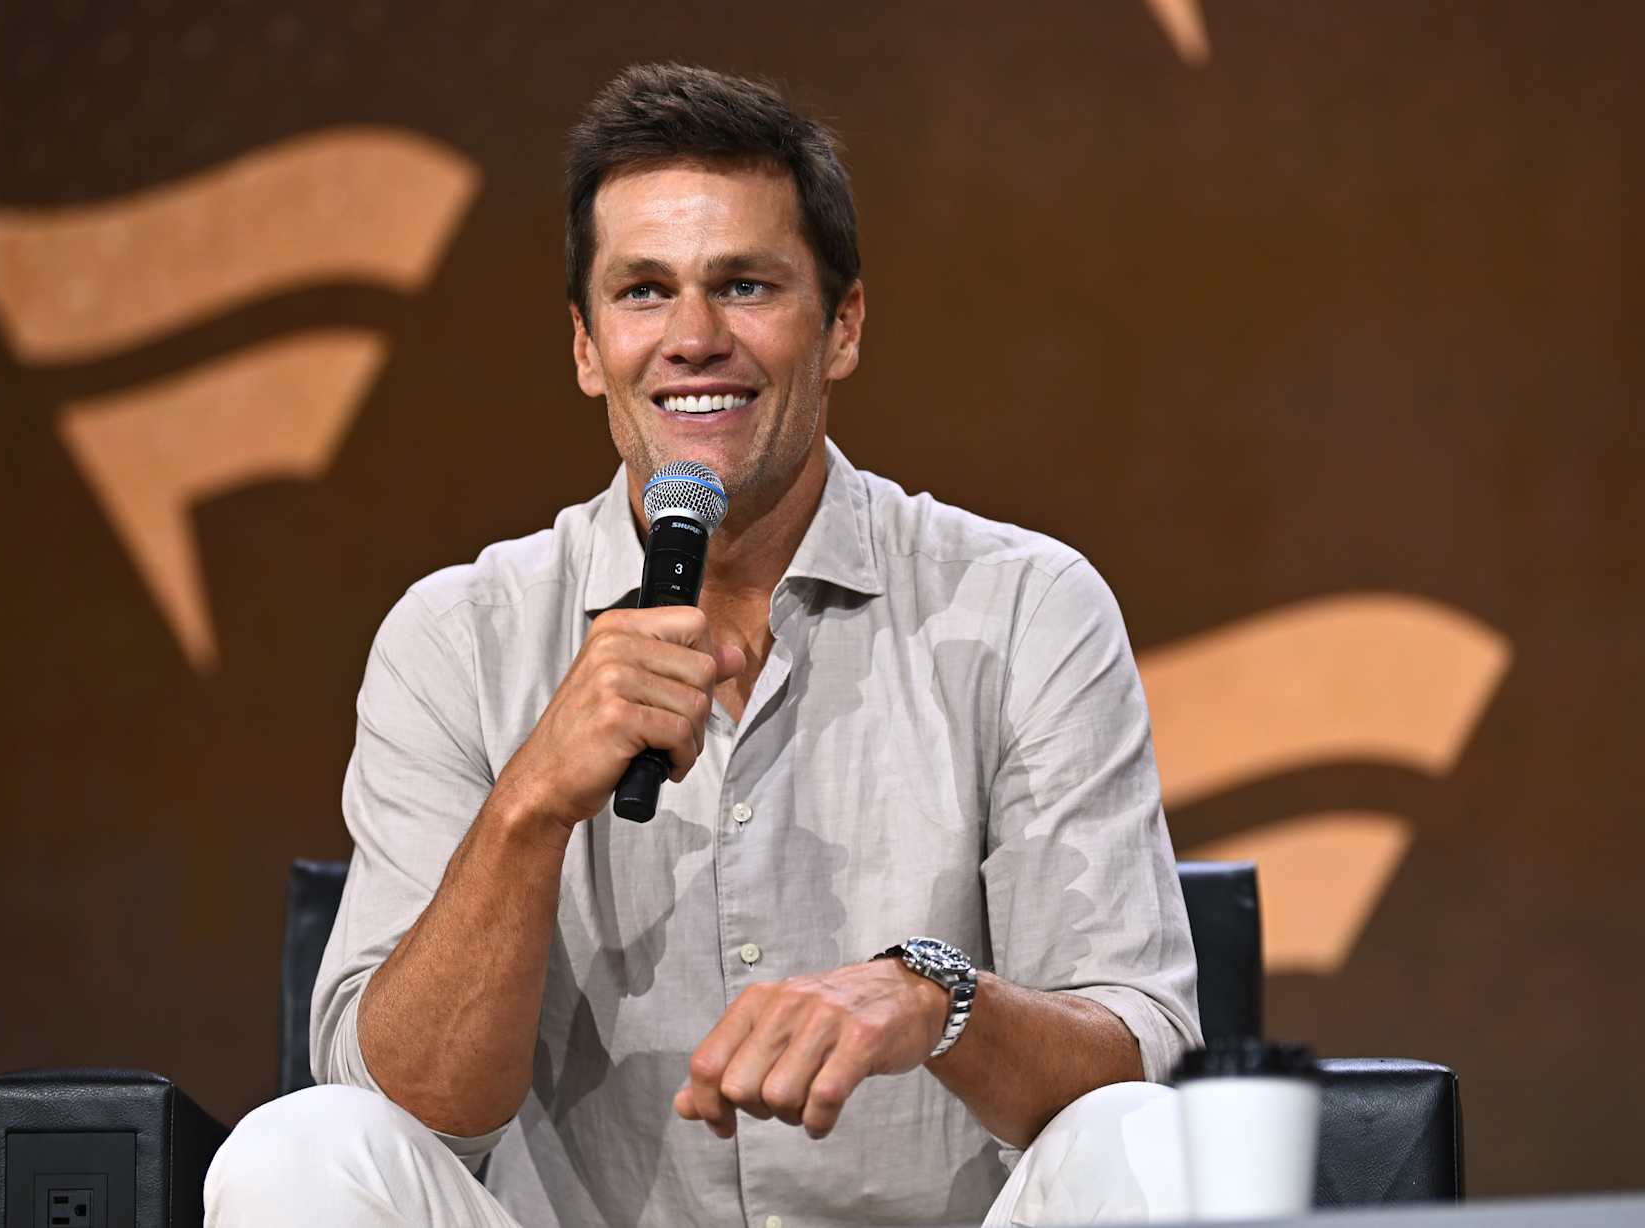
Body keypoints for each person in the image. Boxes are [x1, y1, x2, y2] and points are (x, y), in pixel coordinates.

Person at [205, 63, 1201, 1227]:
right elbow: (412, 1109)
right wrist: (530, 803)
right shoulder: (455, 636)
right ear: (586, 348)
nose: (692, 337)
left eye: (745, 285)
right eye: (642, 291)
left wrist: (936, 997)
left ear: (842, 328)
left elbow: (1140, 1055)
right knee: (300, 1153)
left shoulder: (1027, 607)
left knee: (1142, 1139)